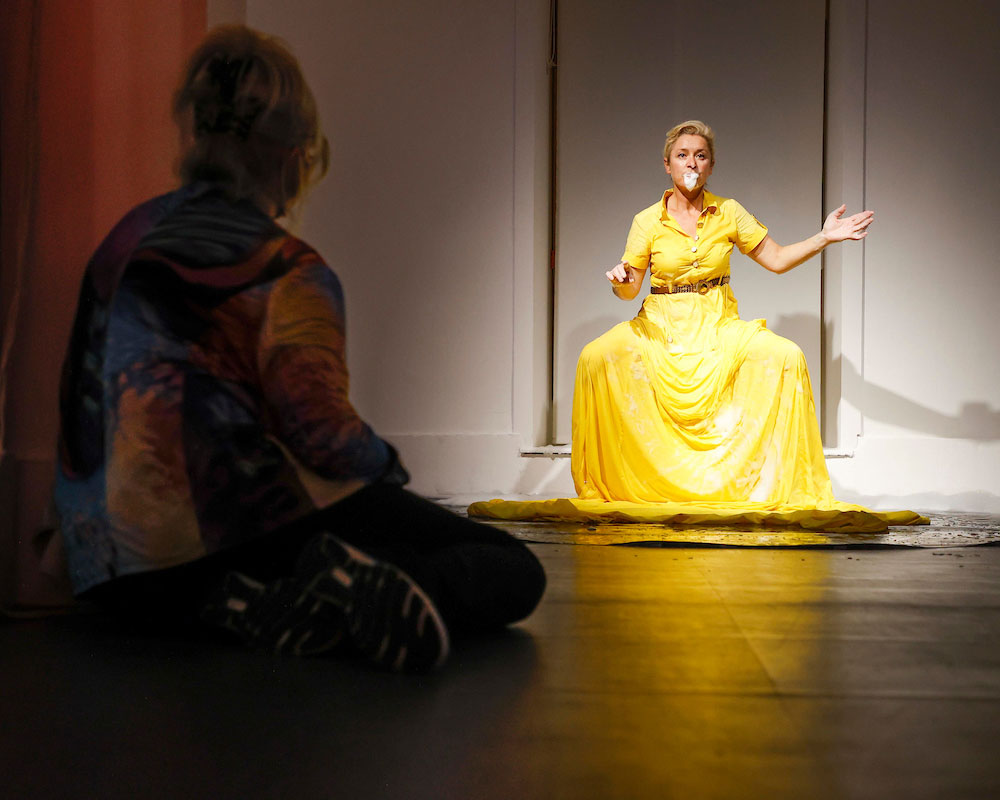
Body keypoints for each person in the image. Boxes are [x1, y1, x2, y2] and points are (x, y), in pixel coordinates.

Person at [54, 25, 545, 672]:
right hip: (235, 529)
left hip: (111, 575)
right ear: (293, 156)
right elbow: (323, 436)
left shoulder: (126, 239)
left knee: (288, 544)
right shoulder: (287, 267)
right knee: (514, 567)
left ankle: (249, 604)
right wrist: (389, 471)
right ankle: (361, 596)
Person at [469, 120, 924, 531]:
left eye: (700, 155)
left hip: (716, 323)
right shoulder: (647, 220)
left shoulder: (729, 211)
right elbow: (629, 289)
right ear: (667, 165)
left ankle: (768, 483)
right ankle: (615, 483)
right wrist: (622, 281)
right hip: (661, 323)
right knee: (595, 356)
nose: (692, 162)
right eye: (683, 155)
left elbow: (778, 259)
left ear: (710, 166)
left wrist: (824, 237)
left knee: (786, 356)